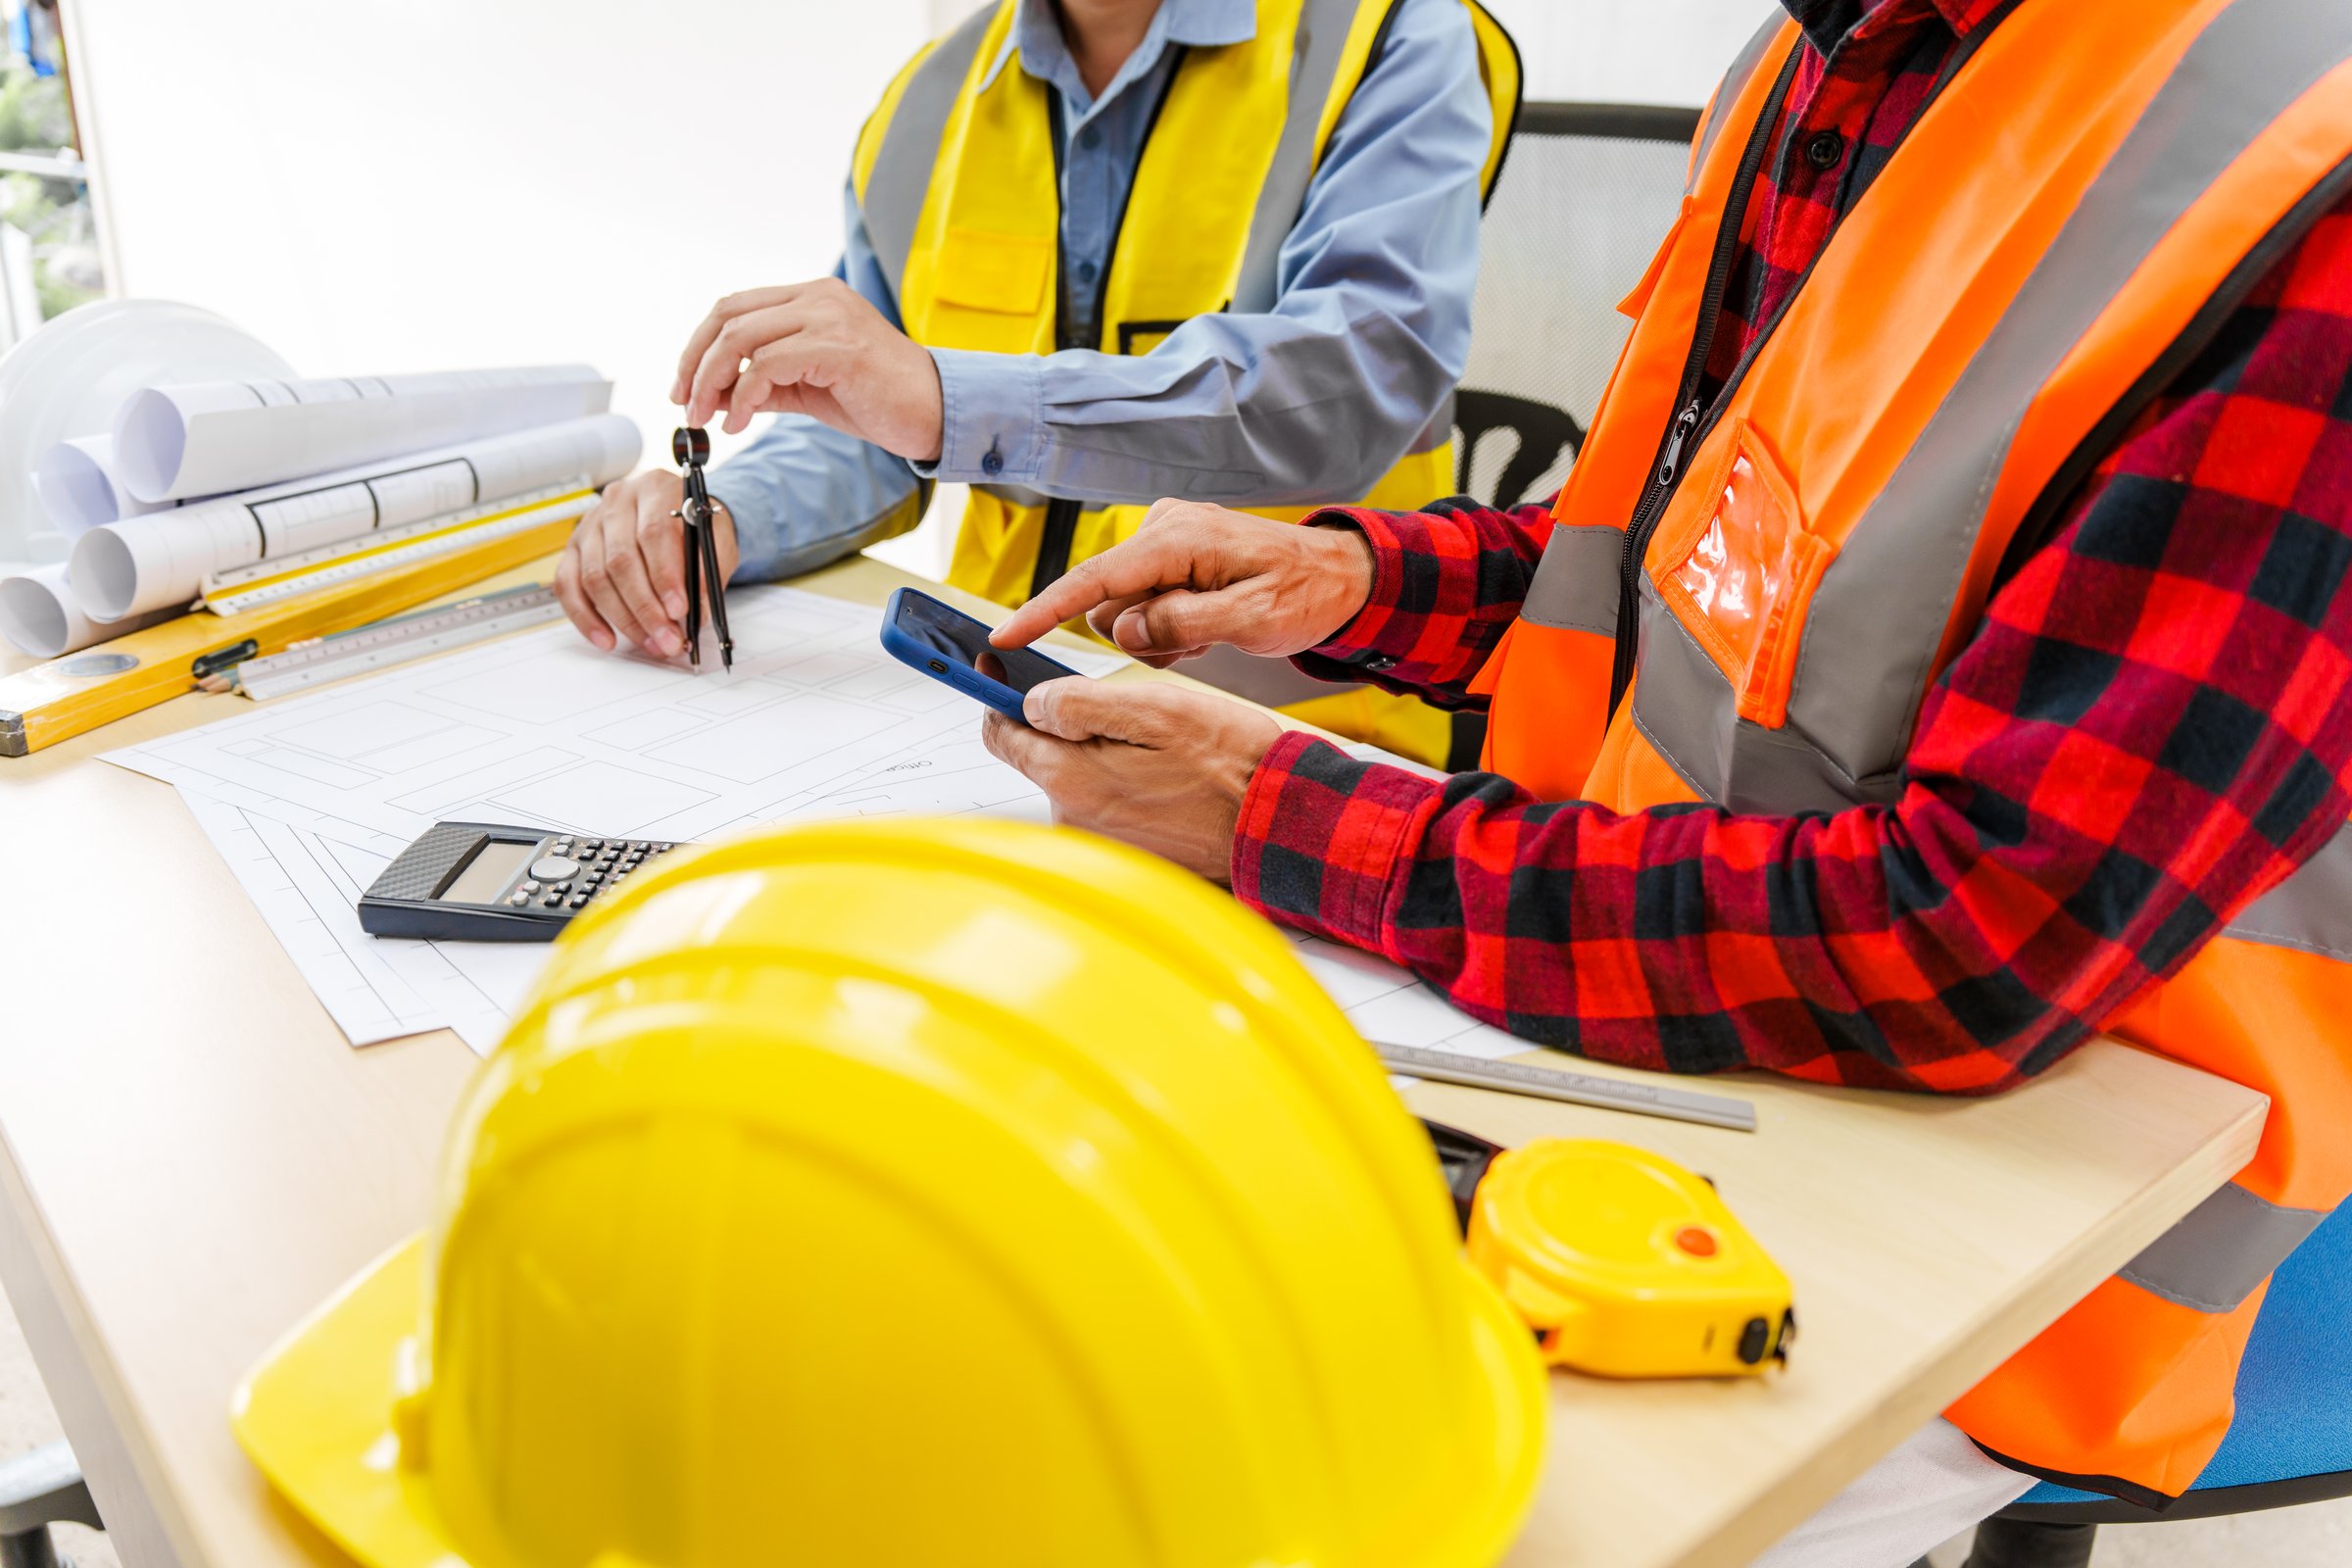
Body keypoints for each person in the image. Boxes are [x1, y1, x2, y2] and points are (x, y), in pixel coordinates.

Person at [980, 0, 2352, 1563]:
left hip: (2019, 1223)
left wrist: (1282, 816)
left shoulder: (2295, 178)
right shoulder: (1825, 54)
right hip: (1655, 1039)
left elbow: (1970, 938)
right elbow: (1694, 561)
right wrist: (1355, 581)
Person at [553, 0, 1519, 766]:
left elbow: (1350, 384)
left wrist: (945, 397)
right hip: (983, 716)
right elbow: (878, 421)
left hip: (1302, 746)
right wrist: (725, 519)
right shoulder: (927, 103)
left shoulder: (1392, 33)